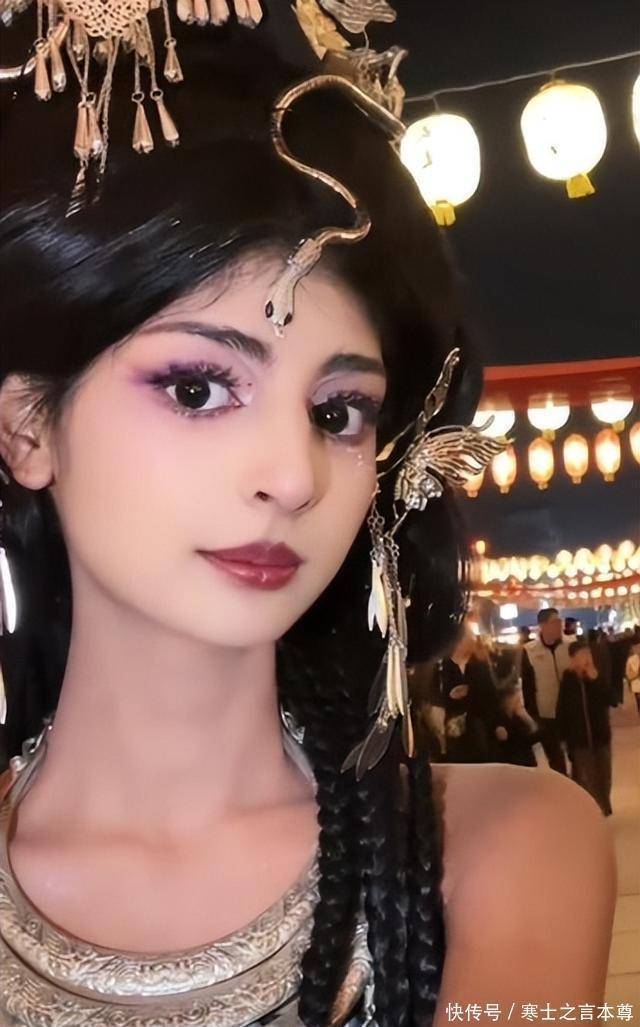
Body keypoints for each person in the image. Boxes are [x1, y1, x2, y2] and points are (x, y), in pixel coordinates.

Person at [0, 3, 615, 1023]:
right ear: (27, 426)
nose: (293, 476)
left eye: (338, 412)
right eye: (198, 387)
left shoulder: (504, 849)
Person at [556, 641, 614, 816]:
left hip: (601, 737)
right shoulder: (568, 680)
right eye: (581, 655)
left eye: (587, 654)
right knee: (588, 780)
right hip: (579, 740)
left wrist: (594, 678)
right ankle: (596, 813)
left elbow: (611, 700)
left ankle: (603, 807)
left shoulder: (596, 676)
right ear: (572, 659)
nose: (586, 659)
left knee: (605, 776)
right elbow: (562, 710)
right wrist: (562, 738)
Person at [441, 626, 501, 764]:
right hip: (454, 732)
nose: (473, 641)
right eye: (468, 637)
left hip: (481, 729)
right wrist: (452, 697)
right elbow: (436, 697)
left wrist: (498, 723)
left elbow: (491, 696)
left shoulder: (479, 664)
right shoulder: (443, 666)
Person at [521, 608, 571, 774]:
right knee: (556, 759)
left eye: (559, 621)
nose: (559, 625)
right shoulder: (530, 651)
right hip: (547, 714)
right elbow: (528, 688)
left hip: (571, 711)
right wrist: (533, 716)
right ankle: (562, 786)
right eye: (554, 622)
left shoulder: (570, 645)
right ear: (542, 625)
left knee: (577, 755)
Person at [493, 683, 542, 768]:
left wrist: (527, 718)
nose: (520, 703)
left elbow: (537, 737)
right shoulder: (501, 721)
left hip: (526, 762)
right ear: (508, 701)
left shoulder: (518, 718)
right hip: (514, 764)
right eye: (517, 701)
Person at [625, 641, 640, 714]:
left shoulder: (630, 660)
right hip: (636, 682)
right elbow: (628, 673)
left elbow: (628, 673)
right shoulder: (631, 659)